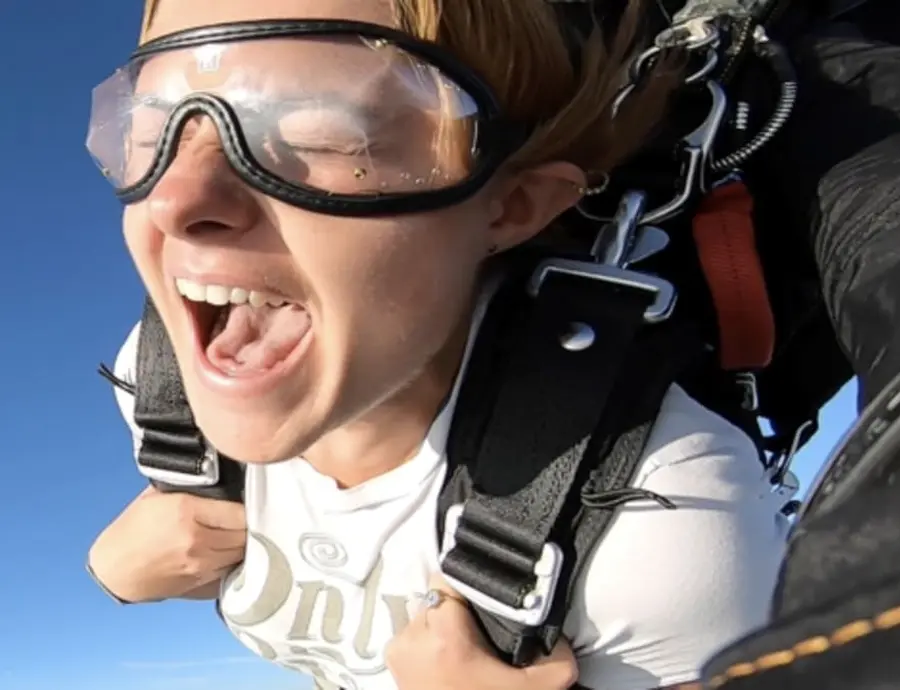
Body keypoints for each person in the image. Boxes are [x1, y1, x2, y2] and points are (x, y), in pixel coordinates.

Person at [85, 0, 796, 689]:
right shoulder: (165, 384)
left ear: (511, 206)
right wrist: (113, 575)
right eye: (148, 134)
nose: (176, 199)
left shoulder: (665, 526)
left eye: (321, 135)